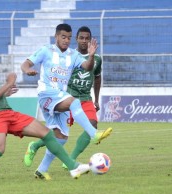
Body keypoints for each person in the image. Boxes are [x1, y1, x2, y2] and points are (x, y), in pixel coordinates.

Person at [0, 45, 90, 183]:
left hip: (8, 113)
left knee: (46, 133)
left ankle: (73, 167)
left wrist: (5, 92)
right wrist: (9, 82)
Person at [21, 24, 112, 180]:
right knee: (73, 102)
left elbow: (87, 67)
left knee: (60, 138)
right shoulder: (46, 50)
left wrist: (90, 56)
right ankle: (94, 134)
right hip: (46, 94)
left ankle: (41, 169)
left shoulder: (73, 55)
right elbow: (26, 63)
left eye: (69, 37)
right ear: (56, 36)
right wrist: (27, 70)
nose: (66, 40)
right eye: (63, 37)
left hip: (60, 96)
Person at [62, 26, 103, 169]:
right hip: (69, 99)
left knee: (93, 124)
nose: (84, 41)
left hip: (85, 99)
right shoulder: (69, 56)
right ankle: (35, 146)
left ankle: (70, 159)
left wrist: (96, 99)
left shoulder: (97, 59)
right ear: (76, 39)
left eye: (87, 38)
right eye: (81, 38)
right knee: (59, 135)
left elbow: (97, 78)